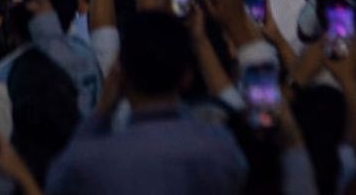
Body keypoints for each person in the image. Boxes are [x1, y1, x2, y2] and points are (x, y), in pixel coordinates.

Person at [45, 12, 248, 194]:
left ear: (121, 76)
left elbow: (57, 181)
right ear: (187, 77)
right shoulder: (219, 146)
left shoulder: (95, 158)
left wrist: (102, 111)